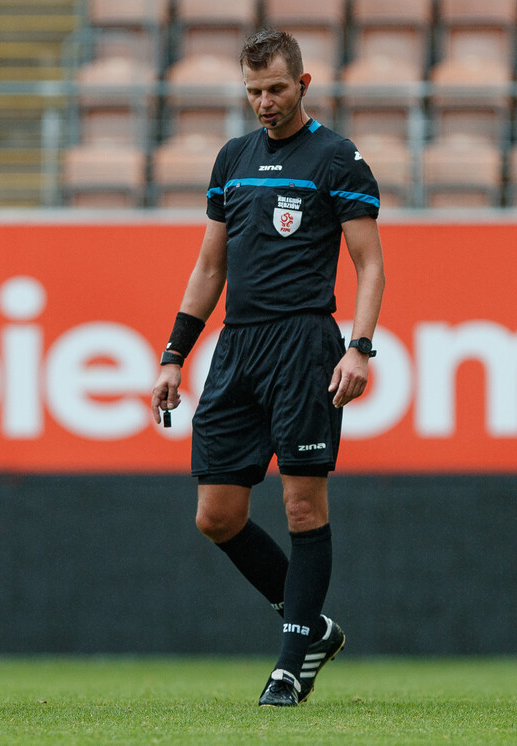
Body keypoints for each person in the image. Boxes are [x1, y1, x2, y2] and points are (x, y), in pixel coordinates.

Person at [150, 29, 385, 707]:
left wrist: (359, 347)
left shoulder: (338, 158)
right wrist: (173, 355)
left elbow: (370, 265)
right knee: (216, 516)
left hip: (305, 345)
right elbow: (210, 266)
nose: (263, 103)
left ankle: (290, 666)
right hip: (236, 348)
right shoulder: (232, 158)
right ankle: (310, 625)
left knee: (302, 504)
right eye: (253, 92)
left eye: (276, 89)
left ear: (303, 85)